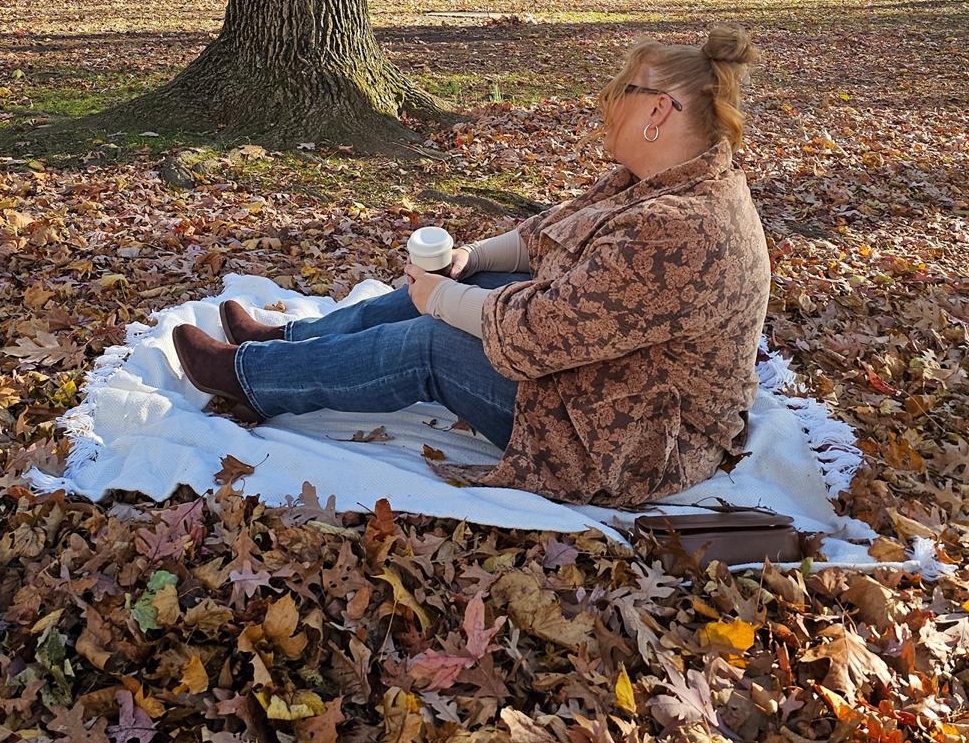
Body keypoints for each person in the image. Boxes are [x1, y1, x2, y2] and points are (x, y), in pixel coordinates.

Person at [173, 25, 771, 509]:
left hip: (635, 437)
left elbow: (540, 332)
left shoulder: (680, 225)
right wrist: (471, 260)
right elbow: (547, 237)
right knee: (470, 287)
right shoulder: (661, 185)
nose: (606, 101)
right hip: (620, 378)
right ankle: (285, 342)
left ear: (659, 111)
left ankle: (253, 379)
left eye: (623, 89)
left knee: (433, 341)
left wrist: (439, 302)